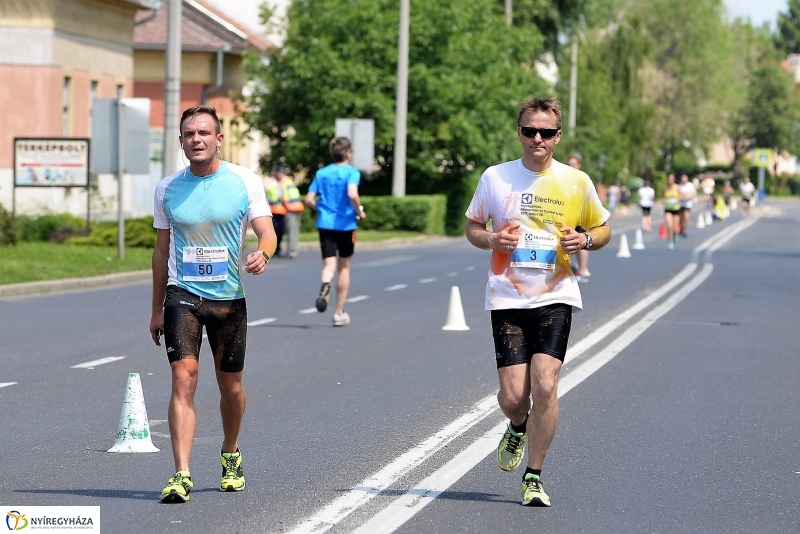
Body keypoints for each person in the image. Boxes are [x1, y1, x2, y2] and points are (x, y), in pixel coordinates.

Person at [465, 96, 611, 507]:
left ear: (558, 136)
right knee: (514, 398)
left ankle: (533, 475)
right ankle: (517, 425)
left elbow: (603, 229)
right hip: (507, 297)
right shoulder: (495, 178)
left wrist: (584, 239)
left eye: (546, 132)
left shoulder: (576, 181)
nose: (537, 139)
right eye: (529, 130)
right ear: (519, 133)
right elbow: (472, 226)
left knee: (546, 383)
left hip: (556, 295)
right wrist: (491, 239)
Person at [149, 105, 276, 503]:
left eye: (204, 133)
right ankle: (181, 473)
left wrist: (263, 253)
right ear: (181, 141)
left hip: (228, 300)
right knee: (182, 379)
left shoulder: (244, 180)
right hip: (182, 296)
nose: (197, 140)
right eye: (189, 134)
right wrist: (156, 308)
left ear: (219, 138)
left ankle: (230, 452)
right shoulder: (167, 188)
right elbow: (161, 251)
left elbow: (267, 232)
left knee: (231, 388)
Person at [305, 137, 367, 327]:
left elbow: (309, 199)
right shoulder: (352, 172)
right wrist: (359, 212)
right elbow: (352, 193)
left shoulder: (322, 173)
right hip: (346, 225)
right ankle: (338, 313)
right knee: (344, 267)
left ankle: (326, 284)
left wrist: (321, 209)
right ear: (348, 154)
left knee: (328, 265)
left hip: (326, 225)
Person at [567, 154, 590, 283]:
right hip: (567, 214)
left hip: (580, 214)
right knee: (567, 241)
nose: (571, 166)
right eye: (569, 164)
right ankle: (567, 270)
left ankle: (582, 270)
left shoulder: (582, 180)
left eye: (573, 164)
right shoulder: (564, 179)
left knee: (580, 241)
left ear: (578, 165)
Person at [276, 166, 304, 258]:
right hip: (298, 207)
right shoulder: (290, 181)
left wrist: (283, 204)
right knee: (295, 231)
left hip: (290, 209)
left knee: (290, 231)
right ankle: (294, 250)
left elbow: (280, 197)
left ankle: (290, 252)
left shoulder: (282, 183)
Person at [264, 171, 287, 256]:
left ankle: (278, 248)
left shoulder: (283, 183)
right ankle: (272, 250)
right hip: (271, 211)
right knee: (274, 231)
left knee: (281, 231)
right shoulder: (269, 183)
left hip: (281, 211)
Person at [663, 173, 681, 249]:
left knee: (674, 228)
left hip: (676, 209)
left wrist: (676, 199)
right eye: (669, 179)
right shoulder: (665, 188)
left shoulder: (677, 187)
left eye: (672, 179)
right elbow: (662, 197)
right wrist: (664, 201)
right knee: (669, 227)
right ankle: (670, 242)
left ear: (674, 180)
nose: (670, 180)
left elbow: (681, 196)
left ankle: (675, 235)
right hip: (668, 209)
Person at [678, 173, 696, 238]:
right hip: (681, 204)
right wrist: (682, 197)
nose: (683, 179)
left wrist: (690, 197)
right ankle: (681, 227)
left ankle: (685, 230)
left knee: (686, 218)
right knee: (680, 218)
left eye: (685, 178)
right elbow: (678, 195)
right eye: (682, 178)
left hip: (688, 204)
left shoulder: (690, 185)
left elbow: (693, 194)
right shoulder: (679, 186)